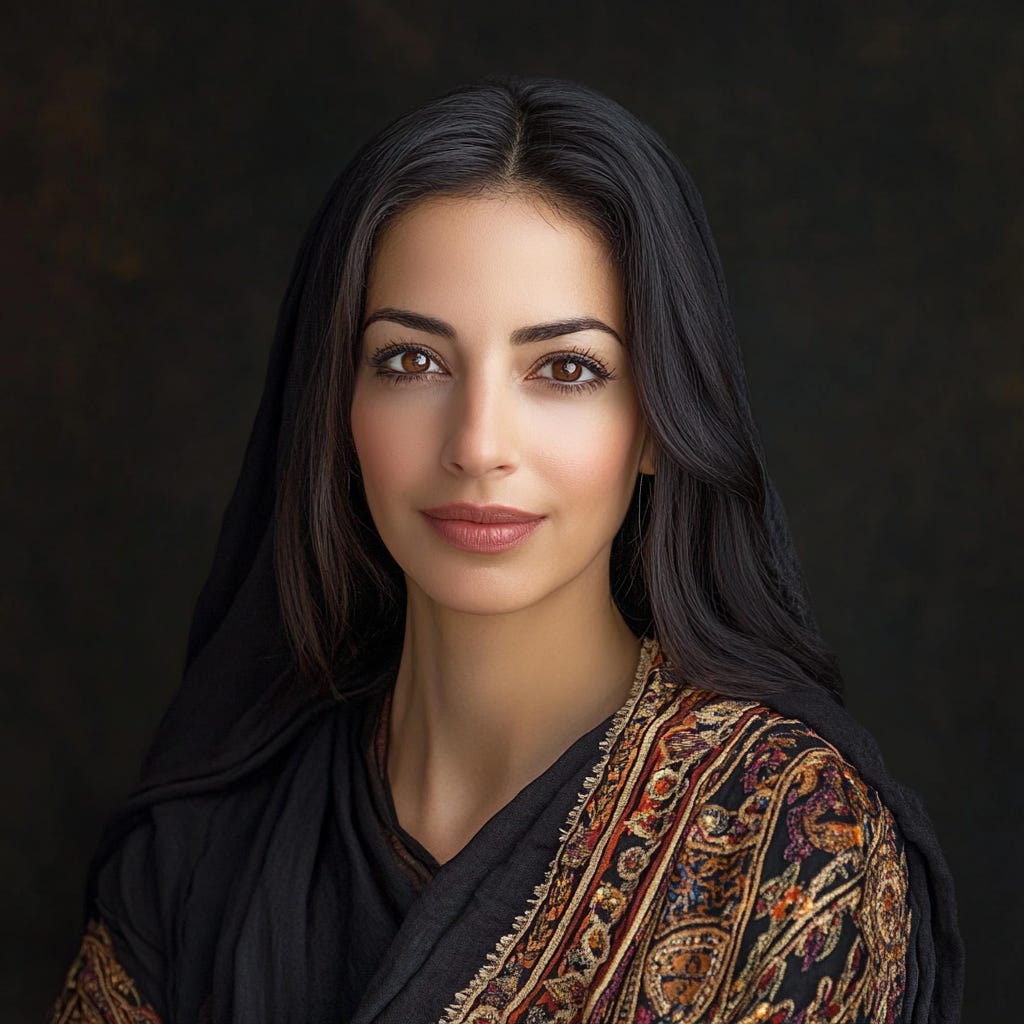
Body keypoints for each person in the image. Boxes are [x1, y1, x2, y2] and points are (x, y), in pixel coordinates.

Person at [50, 75, 963, 1024]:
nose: (478, 443)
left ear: (656, 423)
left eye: (566, 369)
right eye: (412, 362)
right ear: (336, 410)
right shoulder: (207, 845)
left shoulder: (785, 836)